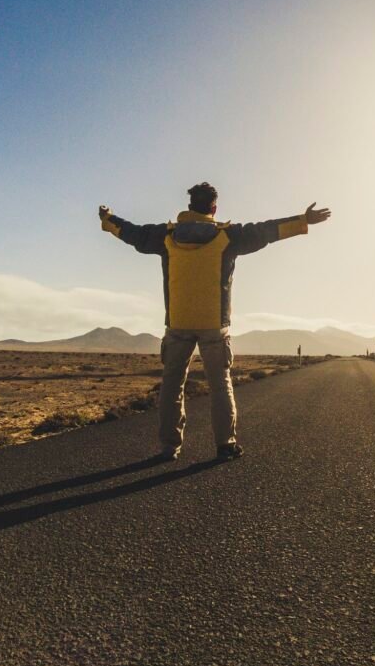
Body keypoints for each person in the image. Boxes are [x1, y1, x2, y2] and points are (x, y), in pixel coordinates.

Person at [98, 182, 331, 461]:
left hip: (178, 323)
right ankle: (225, 445)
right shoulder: (229, 236)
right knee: (220, 384)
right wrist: (303, 220)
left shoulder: (165, 235)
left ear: (189, 207)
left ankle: (169, 447)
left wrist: (109, 220)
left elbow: (133, 234)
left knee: (172, 385)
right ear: (214, 208)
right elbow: (266, 231)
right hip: (214, 325)